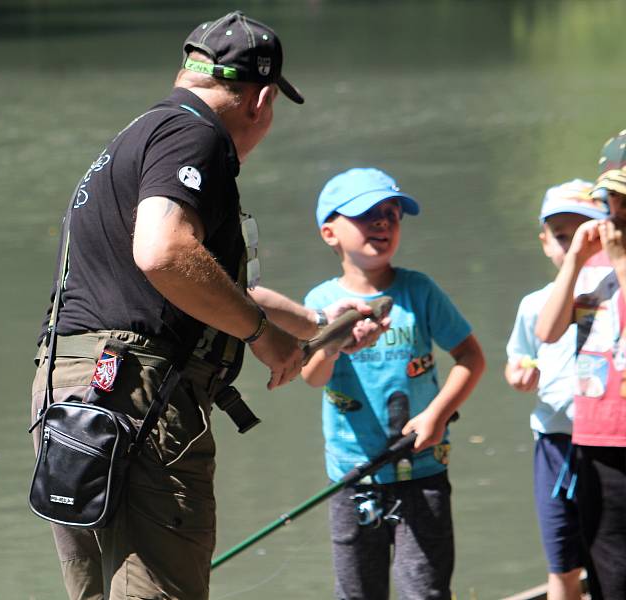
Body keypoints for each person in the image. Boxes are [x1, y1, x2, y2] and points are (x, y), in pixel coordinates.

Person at [30, 12, 387, 600]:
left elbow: (213, 289)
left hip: (71, 396)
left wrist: (323, 325)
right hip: (137, 398)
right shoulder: (194, 137)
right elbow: (165, 252)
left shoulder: (142, 133)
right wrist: (261, 337)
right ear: (262, 99)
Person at [301, 167, 485, 600]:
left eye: (392, 214)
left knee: (425, 589)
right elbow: (311, 376)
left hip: (422, 469)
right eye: (367, 214)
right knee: (358, 592)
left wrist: (437, 415)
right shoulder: (320, 304)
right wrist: (334, 344)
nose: (383, 222)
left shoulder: (419, 291)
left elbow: (471, 357)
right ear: (330, 233)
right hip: (352, 474)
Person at [504, 179, 607, 600]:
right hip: (555, 443)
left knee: (609, 552)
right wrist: (520, 375)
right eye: (562, 237)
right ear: (545, 242)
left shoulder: (611, 294)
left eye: (585, 233)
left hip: (607, 444)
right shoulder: (534, 305)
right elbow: (519, 360)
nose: (574, 246)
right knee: (562, 562)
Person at [536, 130, 626, 600]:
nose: (617, 214)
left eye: (625, 202)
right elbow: (548, 331)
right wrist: (574, 259)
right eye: (610, 201)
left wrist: (621, 261)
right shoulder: (590, 267)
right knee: (605, 561)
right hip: (594, 437)